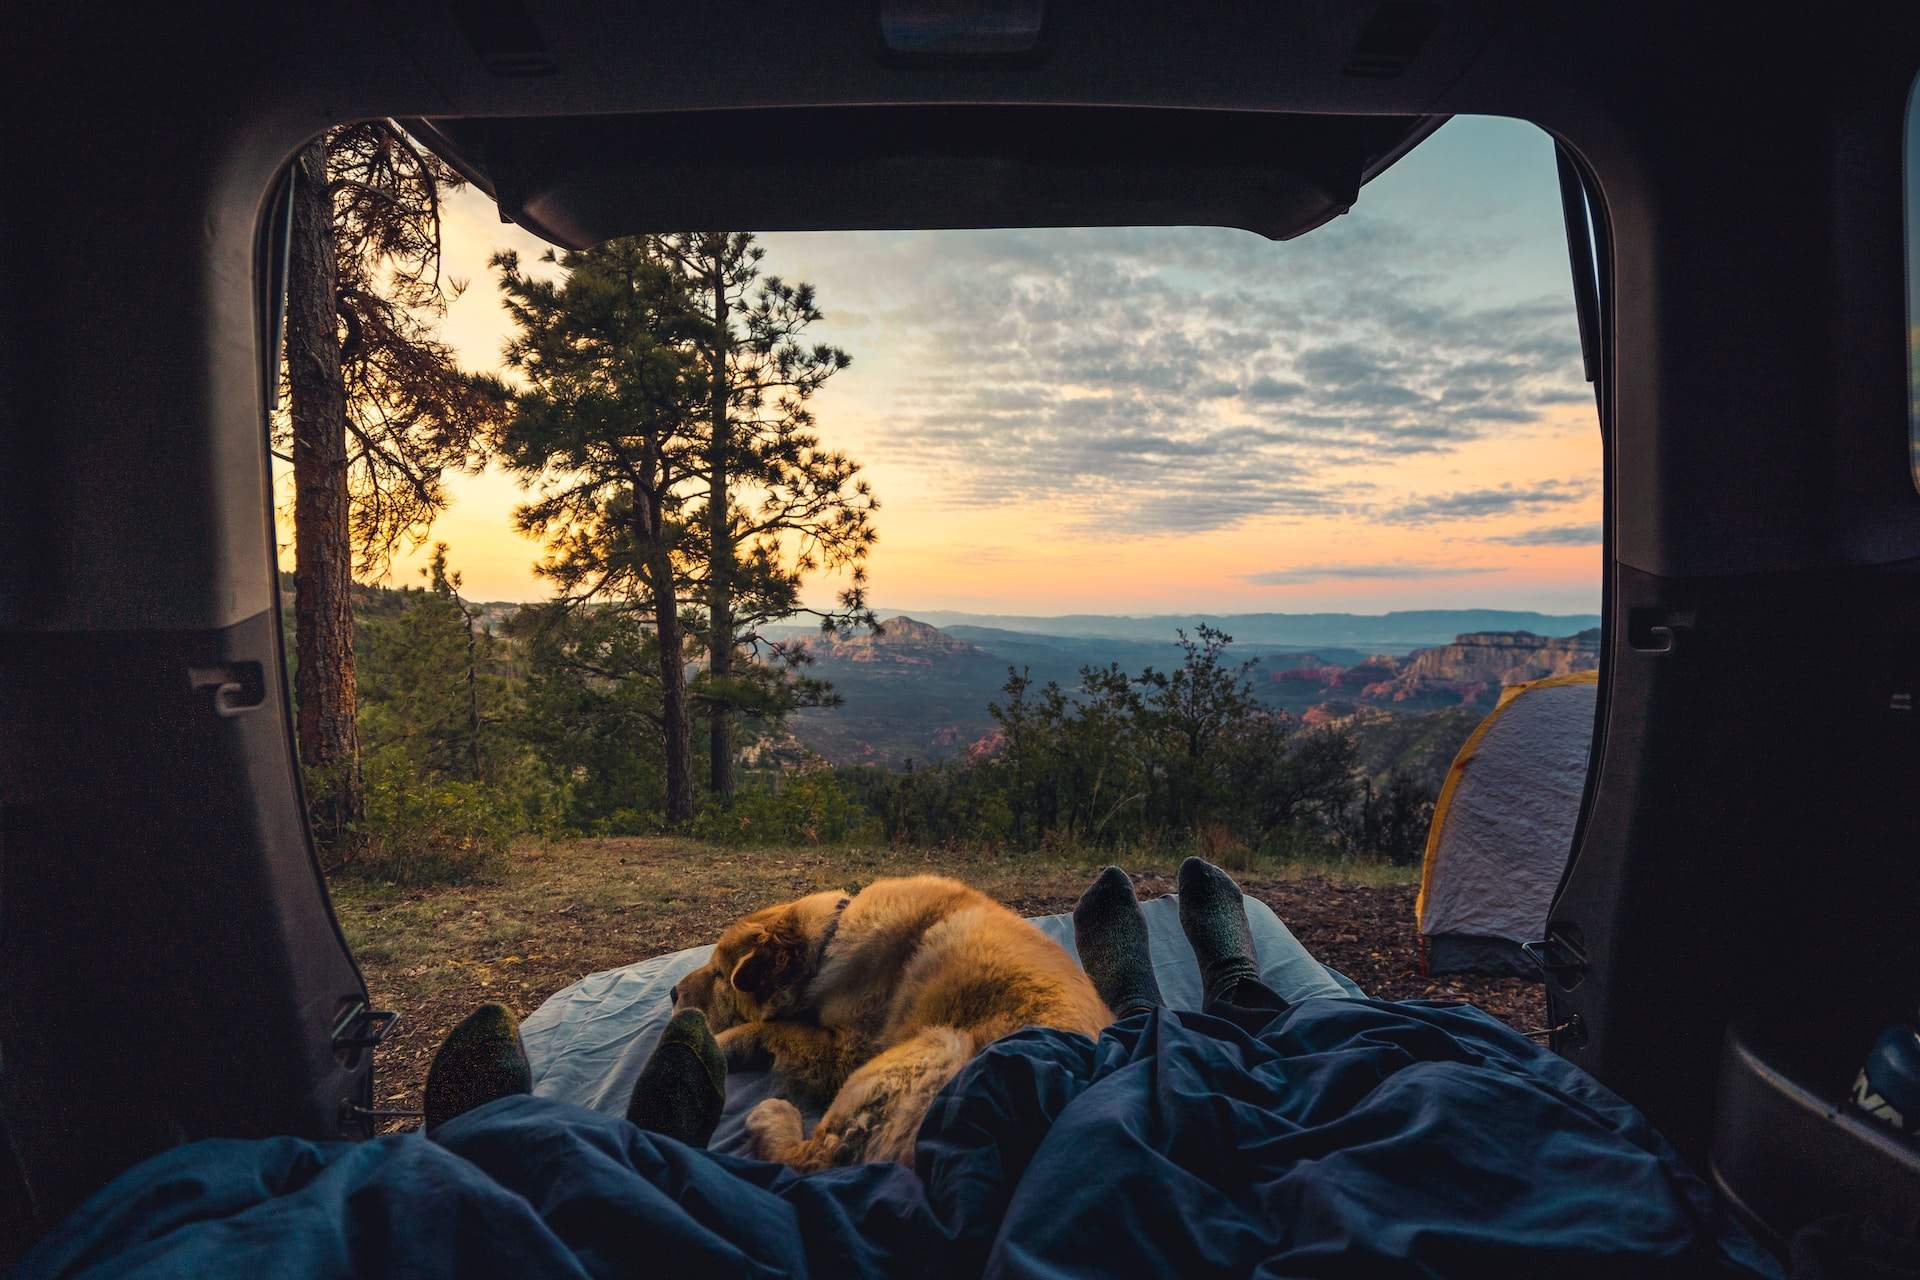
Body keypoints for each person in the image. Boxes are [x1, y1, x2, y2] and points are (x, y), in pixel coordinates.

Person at [421, 857, 1286, 1145]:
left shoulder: (831, 976)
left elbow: (834, 1055)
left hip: (999, 1071)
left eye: (719, 983)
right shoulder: (903, 918)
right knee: (1117, 1032)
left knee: (905, 1079)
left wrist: (746, 1034)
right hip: (1075, 1062)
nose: (701, 992)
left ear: (766, 970)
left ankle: (485, 1144)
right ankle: (1144, 998)